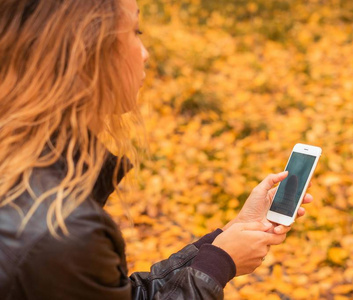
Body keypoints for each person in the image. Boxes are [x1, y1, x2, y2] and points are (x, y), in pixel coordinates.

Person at [0, 0, 313, 299]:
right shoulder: (61, 230)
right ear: (87, 53)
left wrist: (220, 245)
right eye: (135, 32)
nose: (145, 53)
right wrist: (220, 264)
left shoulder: (32, 175)